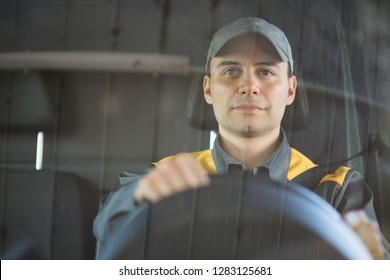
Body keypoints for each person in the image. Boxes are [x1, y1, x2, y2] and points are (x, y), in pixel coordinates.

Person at [93, 17, 389, 259]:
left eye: (265, 71)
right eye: (232, 71)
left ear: (290, 89)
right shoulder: (167, 179)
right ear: (208, 89)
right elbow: (107, 228)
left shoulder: (336, 189)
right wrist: (137, 199)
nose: (249, 86)